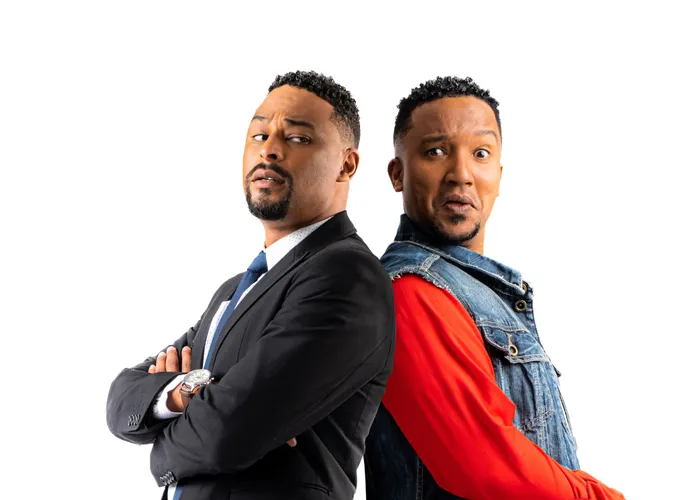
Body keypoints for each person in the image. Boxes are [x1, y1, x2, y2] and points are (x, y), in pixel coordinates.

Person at [106, 70, 395, 500]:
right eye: (259, 135)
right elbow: (121, 397)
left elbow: (226, 433)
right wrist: (185, 392)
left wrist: (162, 447)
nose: (269, 150)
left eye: (297, 138)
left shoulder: (349, 278)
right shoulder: (235, 289)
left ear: (346, 165)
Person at [364, 76, 624, 499]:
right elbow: (484, 465)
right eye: (435, 152)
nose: (461, 175)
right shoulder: (410, 291)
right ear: (398, 173)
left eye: (480, 153)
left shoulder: (472, 291)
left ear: (498, 176)